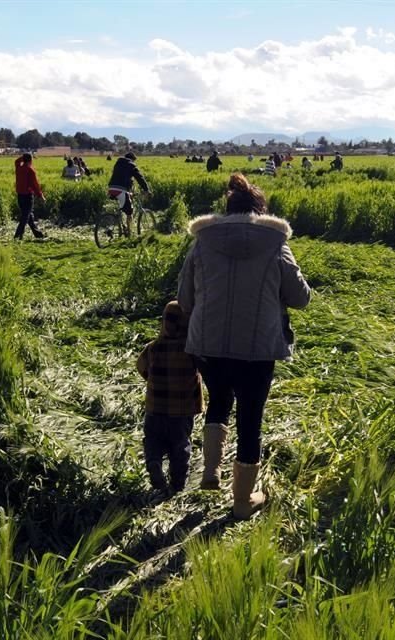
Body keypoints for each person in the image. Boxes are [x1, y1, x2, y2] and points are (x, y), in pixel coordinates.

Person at [177, 173, 311, 519]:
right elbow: (300, 299)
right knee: (251, 417)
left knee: (219, 399)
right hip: (257, 348)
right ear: (259, 209)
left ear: (228, 207)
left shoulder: (203, 241)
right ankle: (241, 501)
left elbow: (184, 298)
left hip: (207, 344)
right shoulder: (275, 242)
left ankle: (210, 472)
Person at [136, 301, 204, 495]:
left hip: (155, 408)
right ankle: (178, 483)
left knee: (153, 439)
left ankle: (154, 462)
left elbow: (141, 366)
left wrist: (151, 378)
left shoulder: (153, 347)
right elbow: (205, 369)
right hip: (182, 411)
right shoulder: (192, 350)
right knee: (180, 444)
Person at [107, 152, 150, 234]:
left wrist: (130, 190)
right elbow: (140, 178)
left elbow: (123, 178)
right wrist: (146, 189)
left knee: (125, 203)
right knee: (129, 212)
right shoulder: (131, 165)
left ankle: (122, 225)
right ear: (132, 159)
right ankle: (129, 233)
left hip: (111, 188)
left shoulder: (118, 163)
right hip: (120, 190)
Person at [14, 153, 46, 239]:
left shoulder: (19, 168)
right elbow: (35, 185)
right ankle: (17, 236)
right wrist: (41, 196)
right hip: (28, 196)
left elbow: (17, 161)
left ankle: (38, 235)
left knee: (28, 216)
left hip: (20, 195)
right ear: (30, 160)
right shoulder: (30, 170)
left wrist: (24, 157)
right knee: (25, 217)